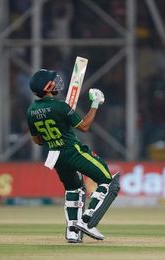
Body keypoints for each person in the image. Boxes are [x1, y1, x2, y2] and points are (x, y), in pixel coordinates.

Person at [26, 69, 120, 243]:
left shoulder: (31, 111)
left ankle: (73, 232)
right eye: (52, 81)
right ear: (47, 87)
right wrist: (95, 104)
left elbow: (38, 140)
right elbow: (84, 126)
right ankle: (87, 221)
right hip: (72, 150)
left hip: (55, 155)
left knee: (74, 189)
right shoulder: (60, 106)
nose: (56, 83)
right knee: (108, 181)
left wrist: (59, 130)